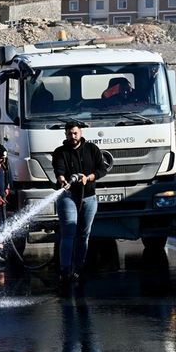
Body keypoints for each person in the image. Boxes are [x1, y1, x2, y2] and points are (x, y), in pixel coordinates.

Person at [52, 121, 107, 290]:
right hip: (68, 197)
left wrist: (88, 178)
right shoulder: (60, 152)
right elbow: (59, 170)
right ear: (66, 135)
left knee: (84, 235)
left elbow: (102, 169)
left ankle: (78, 268)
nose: (73, 136)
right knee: (69, 232)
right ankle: (65, 271)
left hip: (89, 197)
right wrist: (62, 180)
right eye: (69, 134)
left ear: (80, 133)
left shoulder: (92, 149)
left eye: (75, 133)